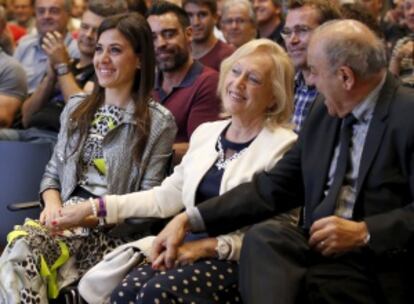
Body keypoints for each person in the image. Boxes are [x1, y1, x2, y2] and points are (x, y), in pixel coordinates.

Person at [152, 20, 414, 304]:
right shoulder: (322, 110)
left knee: (327, 287)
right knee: (266, 237)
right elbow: (272, 187)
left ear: (345, 77)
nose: (309, 82)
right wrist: (187, 219)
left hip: (377, 257)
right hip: (318, 245)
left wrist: (365, 232)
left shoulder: (407, 115)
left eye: (314, 72)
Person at [54, 38, 298, 304]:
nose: (238, 84)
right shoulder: (207, 133)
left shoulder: (283, 145)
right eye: (235, 72)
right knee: (124, 292)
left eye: (253, 79)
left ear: (274, 95)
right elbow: (164, 198)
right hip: (181, 244)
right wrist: (95, 208)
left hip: (237, 260)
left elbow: (278, 234)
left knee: (155, 294)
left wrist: (210, 248)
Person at [0, 12, 177, 304]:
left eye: (115, 50)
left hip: (109, 231)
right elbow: (52, 173)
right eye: (99, 49)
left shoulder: (159, 122)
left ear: (140, 60)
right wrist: (54, 205)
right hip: (61, 221)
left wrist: (87, 217)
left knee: (20, 253)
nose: (102, 59)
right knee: (20, 251)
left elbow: (147, 206)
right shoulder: (77, 108)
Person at [0, 0, 128, 144]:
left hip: (58, 142)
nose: (88, 35)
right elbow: (27, 117)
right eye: (84, 27)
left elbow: (81, 113)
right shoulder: (67, 62)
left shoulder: (104, 72)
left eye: (97, 30)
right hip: (28, 134)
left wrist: (62, 67)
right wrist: (50, 78)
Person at [147, 1, 220, 159]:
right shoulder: (147, 82)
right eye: (153, 37)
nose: (160, 44)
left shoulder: (208, 82)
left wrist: (144, 154)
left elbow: (200, 149)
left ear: (188, 34)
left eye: (169, 34)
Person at [281, 0, 341, 132]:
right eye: (287, 32)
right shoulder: (284, 84)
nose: (292, 40)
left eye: (302, 30)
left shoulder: (342, 89)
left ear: (330, 33)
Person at [13, 0, 79, 94]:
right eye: (41, 11)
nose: (46, 16)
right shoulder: (25, 44)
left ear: (68, 14)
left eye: (54, 11)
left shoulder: (77, 51)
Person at [183, 0, 234, 71]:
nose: (195, 22)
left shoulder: (228, 56)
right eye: (189, 15)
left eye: (202, 15)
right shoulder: (177, 53)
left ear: (215, 17)